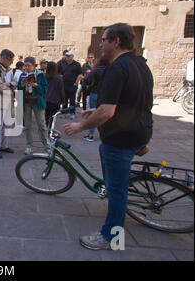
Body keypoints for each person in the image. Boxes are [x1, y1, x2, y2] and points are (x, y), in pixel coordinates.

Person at [64, 23, 153, 250]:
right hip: (140, 132)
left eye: (104, 39)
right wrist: (96, 111)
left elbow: (109, 111)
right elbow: (131, 102)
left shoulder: (117, 68)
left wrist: (81, 125)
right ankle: (119, 212)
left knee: (116, 191)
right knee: (117, 186)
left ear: (116, 41)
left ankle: (111, 237)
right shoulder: (140, 64)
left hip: (121, 139)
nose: (101, 43)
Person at [17, 57, 48, 155]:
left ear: (34, 65)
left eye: (28, 65)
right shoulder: (22, 74)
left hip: (37, 101)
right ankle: (29, 145)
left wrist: (36, 85)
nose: (26, 67)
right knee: (28, 125)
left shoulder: (40, 75)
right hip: (26, 101)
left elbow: (44, 89)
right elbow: (18, 89)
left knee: (42, 124)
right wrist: (21, 85)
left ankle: (47, 145)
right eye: (25, 65)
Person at [81, 57, 108, 142]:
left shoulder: (96, 70)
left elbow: (87, 80)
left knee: (93, 114)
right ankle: (104, 134)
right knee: (104, 114)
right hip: (105, 94)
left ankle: (91, 134)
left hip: (95, 93)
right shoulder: (110, 70)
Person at [62, 51, 83, 119]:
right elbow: (61, 73)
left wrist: (76, 82)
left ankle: (72, 113)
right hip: (65, 84)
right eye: (66, 56)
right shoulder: (64, 63)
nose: (67, 57)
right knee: (64, 99)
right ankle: (64, 113)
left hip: (72, 85)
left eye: (68, 56)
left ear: (72, 56)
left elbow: (80, 74)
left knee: (72, 99)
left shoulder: (76, 64)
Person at [45, 61, 65, 129]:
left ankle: (45, 130)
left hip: (46, 99)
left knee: (46, 117)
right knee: (53, 117)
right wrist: (63, 100)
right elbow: (61, 90)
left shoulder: (45, 77)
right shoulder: (58, 78)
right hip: (55, 100)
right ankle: (50, 130)